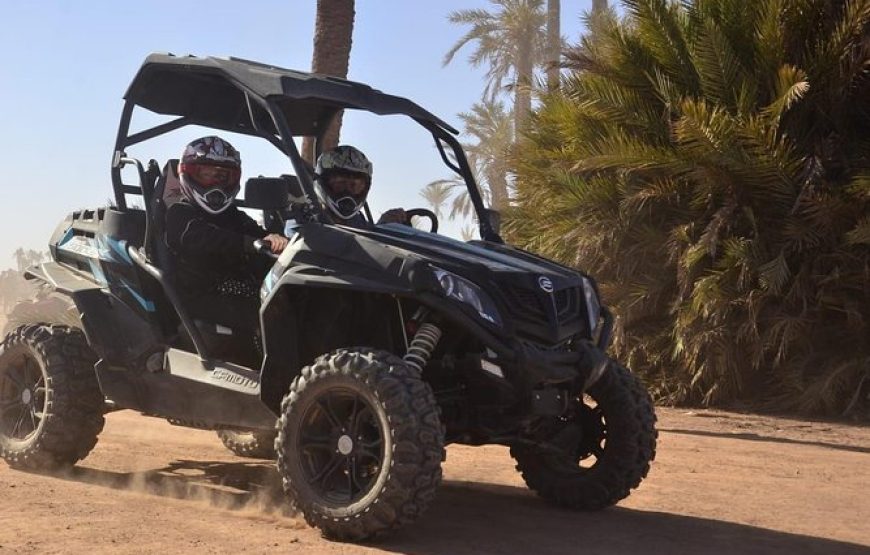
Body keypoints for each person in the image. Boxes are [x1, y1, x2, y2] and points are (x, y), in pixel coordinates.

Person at [164, 136, 289, 363]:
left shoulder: (233, 216)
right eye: (206, 175)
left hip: (236, 288)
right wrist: (249, 243)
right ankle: (274, 377)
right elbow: (203, 238)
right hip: (198, 294)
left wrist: (277, 239)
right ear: (189, 175)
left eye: (222, 176)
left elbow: (258, 234)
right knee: (266, 315)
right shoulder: (179, 214)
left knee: (287, 305)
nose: (215, 184)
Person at [313, 145, 407, 226]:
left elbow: (368, 241)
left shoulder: (358, 221)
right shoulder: (310, 221)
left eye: (355, 186)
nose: (348, 192)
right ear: (322, 183)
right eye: (340, 184)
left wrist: (384, 225)